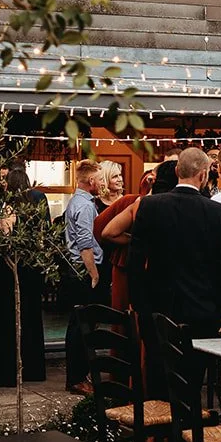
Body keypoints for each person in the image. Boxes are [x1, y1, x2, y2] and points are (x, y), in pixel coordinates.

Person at [127, 147, 221, 340]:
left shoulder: (149, 205)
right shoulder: (216, 211)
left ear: (177, 171)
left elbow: (135, 259)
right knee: (196, 367)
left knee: (158, 366)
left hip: (157, 305)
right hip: (203, 308)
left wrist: (140, 305)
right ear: (203, 175)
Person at [0, 166, 50, 387]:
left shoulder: (8, 207)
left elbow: (3, 240)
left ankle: (7, 372)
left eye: (5, 181)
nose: (2, 184)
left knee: (8, 321)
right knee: (32, 318)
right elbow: (43, 237)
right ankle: (34, 369)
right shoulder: (37, 201)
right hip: (33, 269)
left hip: (11, 271)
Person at [62, 159, 108, 393]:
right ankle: (77, 378)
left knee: (79, 325)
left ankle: (79, 376)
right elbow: (84, 242)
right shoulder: (86, 206)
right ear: (91, 181)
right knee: (82, 326)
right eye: (100, 180)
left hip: (77, 269)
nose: (102, 184)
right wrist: (94, 274)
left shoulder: (76, 201)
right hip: (83, 271)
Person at [96, 167, 157, 313]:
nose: (120, 179)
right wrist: (130, 240)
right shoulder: (130, 201)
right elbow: (101, 230)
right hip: (122, 259)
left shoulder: (130, 200)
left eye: (120, 175)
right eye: (114, 176)